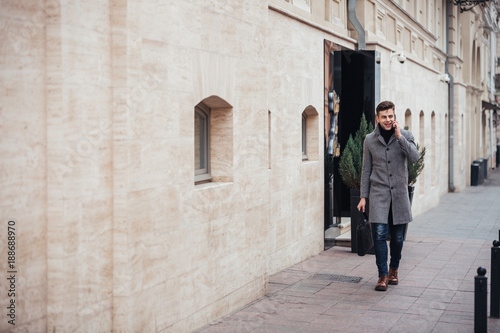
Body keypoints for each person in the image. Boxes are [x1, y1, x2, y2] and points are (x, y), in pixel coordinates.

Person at [357, 101, 419, 291]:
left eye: (390, 116)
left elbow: (415, 158)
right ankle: (382, 275)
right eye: (384, 117)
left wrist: (400, 137)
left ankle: (394, 270)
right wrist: (363, 196)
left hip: (399, 195)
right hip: (379, 194)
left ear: (394, 117)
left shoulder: (406, 135)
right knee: (379, 235)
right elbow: (366, 170)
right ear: (377, 118)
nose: (388, 120)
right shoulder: (369, 140)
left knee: (398, 238)